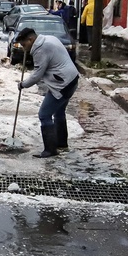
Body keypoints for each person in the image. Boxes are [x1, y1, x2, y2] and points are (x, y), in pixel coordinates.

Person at [16, 27, 79, 158]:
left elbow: (37, 75)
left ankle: (50, 150)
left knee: (44, 115)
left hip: (62, 84)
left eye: (24, 44)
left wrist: (23, 84)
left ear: (31, 39)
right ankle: (61, 143)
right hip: (71, 79)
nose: (23, 48)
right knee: (59, 112)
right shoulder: (48, 39)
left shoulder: (40, 49)